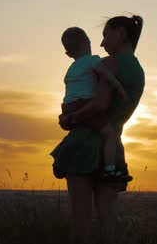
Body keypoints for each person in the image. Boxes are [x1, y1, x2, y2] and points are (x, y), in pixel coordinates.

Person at [55, 15, 145, 244]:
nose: (103, 44)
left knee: (80, 221)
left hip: (84, 146)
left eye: (106, 36)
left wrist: (70, 117)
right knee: (108, 220)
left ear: (120, 33)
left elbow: (99, 104)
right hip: (113, 148)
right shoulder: (137, 70)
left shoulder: (110, 64)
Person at [52, 26, 132, 182]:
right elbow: (106, 75)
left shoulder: (71, 69)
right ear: (89, 43)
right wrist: (119, 88)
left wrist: (69, 113)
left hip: (67, 105)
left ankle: (60, 159)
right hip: (84, 103)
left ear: (68, 54)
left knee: (76, 129)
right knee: (109, 134)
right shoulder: (93, 60)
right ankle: (110, 170)